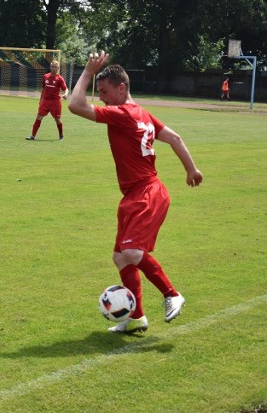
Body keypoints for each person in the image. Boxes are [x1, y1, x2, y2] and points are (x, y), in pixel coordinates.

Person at [68, 51, 203, 334]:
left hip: (147, 193)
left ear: (122, 88)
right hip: (134, 194)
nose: (101, 97)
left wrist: (88, 72)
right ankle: (137, 318)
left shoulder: (122, 115)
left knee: (131, 251)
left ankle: (172, 294)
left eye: (104, 92)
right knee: (120, 257)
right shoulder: (142, 113)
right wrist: (191, 169)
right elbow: (175, 138)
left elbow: (75, 105)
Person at [26, 61, 69, 141]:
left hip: (55, 102)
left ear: (58, 69)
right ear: (50, 67)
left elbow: (66, 89)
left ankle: (61, 135)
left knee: (57, 119)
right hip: (45, 101)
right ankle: (33, 136)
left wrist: (66, 94)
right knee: (39, 117)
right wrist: (40, 100)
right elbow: (43, 89)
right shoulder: (45, 76)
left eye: (56, 67)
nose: (54, 68)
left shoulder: (59, 79)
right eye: (52, 66)